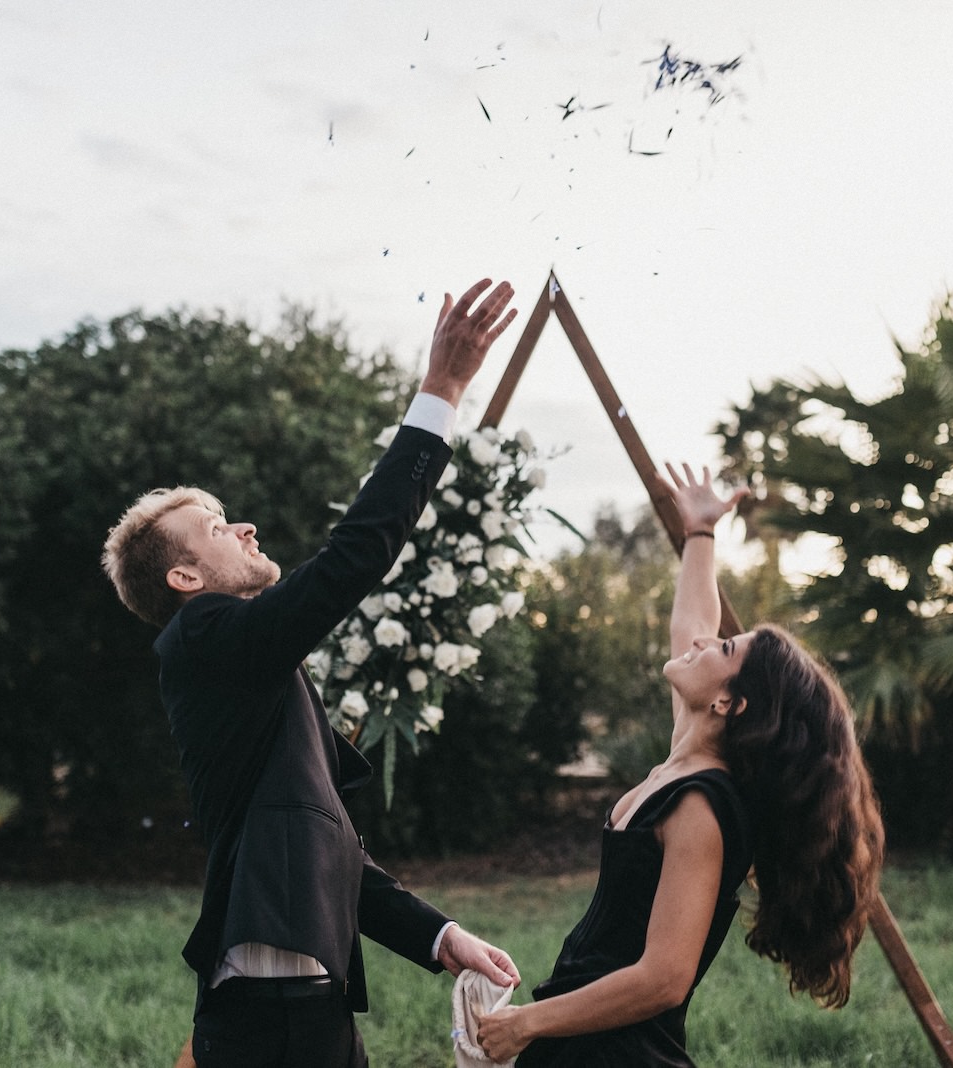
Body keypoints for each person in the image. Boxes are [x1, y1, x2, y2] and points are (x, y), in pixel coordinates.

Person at [101, 278, 523, 1068]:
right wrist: (440, 391)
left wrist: (439, 935)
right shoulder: (203, 637)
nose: (246, 525)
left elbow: (325, 846)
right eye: (219, 528)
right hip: (273, 1010)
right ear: (185, 581)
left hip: (299, 1000)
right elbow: (351, 559)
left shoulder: (247, 670)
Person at [473, 463, 886, 1066]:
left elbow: (665, 977)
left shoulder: (700, 807)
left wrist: (527, 1024)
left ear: (729, 702)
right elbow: (691, 625)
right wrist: (699, 535)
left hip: (616, 1051)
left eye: (722, 649)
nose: (702, 642)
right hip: (586, 1036)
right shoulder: (685, 760)